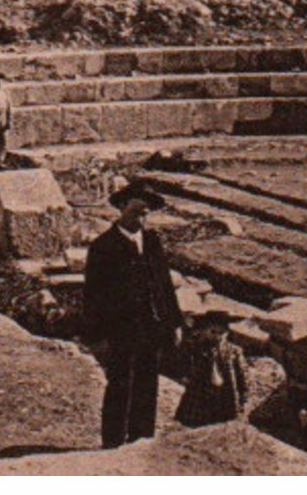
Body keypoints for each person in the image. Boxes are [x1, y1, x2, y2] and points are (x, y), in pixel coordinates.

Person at [83, 181, 183, 448]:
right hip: (121, 330)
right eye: (136, 210)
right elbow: (93, 295)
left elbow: (164, 285)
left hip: (151, 327)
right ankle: (113, 443)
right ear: (121, 207)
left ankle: (141, 439)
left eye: (145, 212)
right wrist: (96, 337)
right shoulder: (103, 246)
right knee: (120, 385)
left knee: (148, 383)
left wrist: (174, 323)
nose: (141, 216)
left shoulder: (152, 242)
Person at [175, 309, 250, 428]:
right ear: (204, 331)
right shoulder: (195, 347)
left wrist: (243, 397)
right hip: (199, 396)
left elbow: (242, 375)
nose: (218, 337)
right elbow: (183, 365)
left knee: (222, 426)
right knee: (196, 426)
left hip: (225, 396)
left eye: (222, 333)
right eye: (213, 332)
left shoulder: (234, 351)